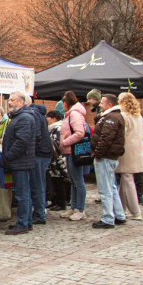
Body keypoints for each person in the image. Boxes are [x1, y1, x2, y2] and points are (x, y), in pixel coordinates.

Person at [1, 91, 38, 235]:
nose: (9, 102)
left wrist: (9, 156)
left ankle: (22, 223)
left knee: (22, 194)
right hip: (21, 161)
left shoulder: (23, 118)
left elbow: (22, 142)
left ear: (21, 103)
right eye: (9, 100)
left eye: (12, 100)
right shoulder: (20, 117)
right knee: (24, 194)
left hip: (21, 162)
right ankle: (26, 221)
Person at [92, 93, 127, 230]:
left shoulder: (111, 117)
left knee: (105, 188)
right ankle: (119, 215)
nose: (100, 104)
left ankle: (108, 218)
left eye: (102, 103)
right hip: (110, 156)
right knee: (111, 186)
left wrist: (98, 153)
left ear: (109, 105)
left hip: (105, 157)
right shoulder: (112, 116)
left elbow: (106, 137)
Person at [58, 91, 89, 221]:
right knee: (73, 180)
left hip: (74, 151)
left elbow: (80, 133)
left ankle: (79, 209)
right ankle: (74, 206)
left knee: (78, 181)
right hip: (69, 151)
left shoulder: (74, 114)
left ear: (65, 103)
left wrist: (65, 142)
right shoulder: (72, 114)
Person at [116, 92, 143, 221]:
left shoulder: (124, 116)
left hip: (126, 150)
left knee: (127, 178)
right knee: (126, 178)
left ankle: (135, 211)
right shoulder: (138, 116)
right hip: (137, 149)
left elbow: (121, 135)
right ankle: (121, 208)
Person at [29, 101, 55, 225]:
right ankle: (40, 211)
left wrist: (31, 152)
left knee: (37, 184)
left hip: (39, 153)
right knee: (40, 183)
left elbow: (36, 136)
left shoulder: (33, 114)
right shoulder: (39, 113)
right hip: (44, 153)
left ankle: (39, 214)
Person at [45, 110, 70, 211]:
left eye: (48, 117)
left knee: (59, 181)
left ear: (54, 118)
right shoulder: (52, 128)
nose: (46, 119)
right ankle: (55, 201)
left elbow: (57, 143)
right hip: (54, 159)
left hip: (58, 159)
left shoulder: (57, 128)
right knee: (55, 180)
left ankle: (61, 202)